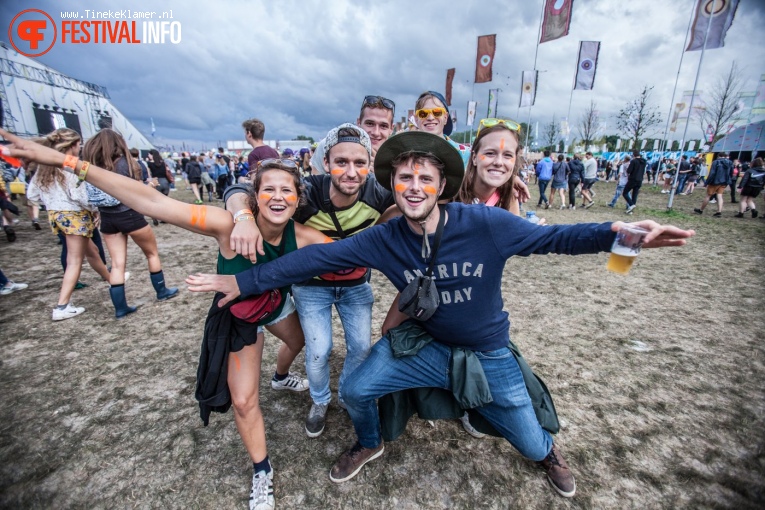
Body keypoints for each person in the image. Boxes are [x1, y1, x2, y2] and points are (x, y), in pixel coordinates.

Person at [182, 130, 694, 499]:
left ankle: (547, 454)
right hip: (423, 345)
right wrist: (242, 280)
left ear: (441, 185)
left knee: (526, 432)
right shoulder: (385, 236)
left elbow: (554, 238)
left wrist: (618, 232)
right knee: (358, 389)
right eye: (403, 177)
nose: (412, 187)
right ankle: (369, 442)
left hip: (488, 349)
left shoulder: (486, 223)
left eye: (423, 178)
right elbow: (316, 258)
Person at [0, 130, 319, 510]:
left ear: (298, 198)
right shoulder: (226, 224)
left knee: (300, 342)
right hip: (239, 316)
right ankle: (262, 470)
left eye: (288, 190)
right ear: (254, 196)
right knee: (244, 400)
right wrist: (69, 162)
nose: (279, 197)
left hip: (277, 305)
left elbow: (360, 248)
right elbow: (152, 200)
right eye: (270, 189)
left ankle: (280, 377)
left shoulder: (304, 237)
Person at [224, 124, 394, 439]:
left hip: (356, 287)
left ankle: (346, 395)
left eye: (360, 163)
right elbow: (238, 190)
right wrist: (243, 217)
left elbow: (413, 206)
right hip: (311, 287)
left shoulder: (378, 194)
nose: (351, 171)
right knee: (318, 350)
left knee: (360, 348)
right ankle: (319, 401)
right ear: (326, 163)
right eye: (341, 162)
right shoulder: (308, 192)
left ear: (369, 166)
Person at [81, 129, 179, 318]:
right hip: (130, 214)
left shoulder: (92, 167)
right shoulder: (125, 164)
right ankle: (161, 291)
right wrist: (148, 187)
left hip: (107, 218)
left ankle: (120, 308)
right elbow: (135, 191)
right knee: (151, 254)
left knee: (117, 265)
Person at [24, 128, 112, 321]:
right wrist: (95, 209)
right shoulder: (69, 166)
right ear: (71, 145)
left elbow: (32, 195)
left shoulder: (44, 166)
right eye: (78, 144)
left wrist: (52, 202)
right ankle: (62, 306)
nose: (79, 147)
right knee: (74, 261)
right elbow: (78, 196)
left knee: (92, 252)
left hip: (58, 216)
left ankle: (112, 280)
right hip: (75, 216)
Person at [694, 152, 732, 217]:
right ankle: (719, 211)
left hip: (715, 181)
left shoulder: (716, 162)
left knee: (708, 195)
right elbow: (730, 172)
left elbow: (712, 173)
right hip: (724, 181)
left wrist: (707, 182)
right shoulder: (729, 162)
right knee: (719, 196)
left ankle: (701, 210)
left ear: (718, 156)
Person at [623, 150, 647, 214]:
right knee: (635, 194)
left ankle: (631, 205)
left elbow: (629, 171)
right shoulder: (644, 161)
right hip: (640, 180)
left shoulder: (633, 161)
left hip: (633, 179)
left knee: (625, 193)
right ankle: (631, 210)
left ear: (633, 155)